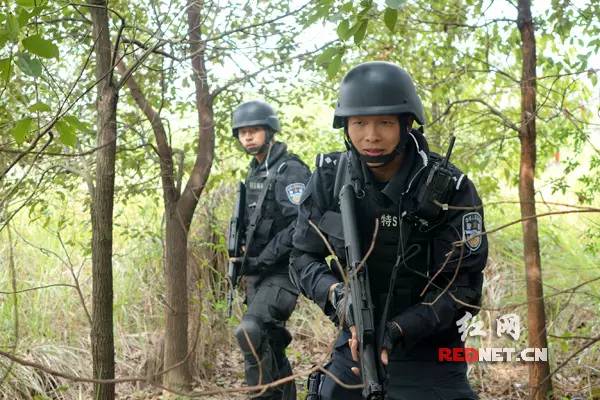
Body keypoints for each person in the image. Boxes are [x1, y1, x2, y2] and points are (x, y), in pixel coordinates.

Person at [290, 61, 488, 400]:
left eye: (384, 123)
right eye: (359, 123)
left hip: (430, 344)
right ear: (345, 126)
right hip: (356, 338)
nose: (371, 136)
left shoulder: (448, 188)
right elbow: (301, 257)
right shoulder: (328, 178)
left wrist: (399, 329)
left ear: (406, 123)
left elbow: (464, 287)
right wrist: (339, 297)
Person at [230, 100, 311, 400]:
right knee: (271, 344)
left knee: (249, 332)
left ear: (270, 131)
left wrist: (263, 258)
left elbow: (302, 225)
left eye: (254, 131)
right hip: (258, 275)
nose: (248, 137)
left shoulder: (289, 171)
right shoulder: (255, 173)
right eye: (242, 133)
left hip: (284, 272)